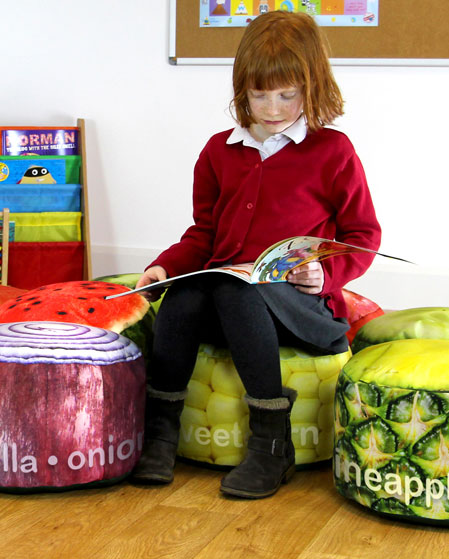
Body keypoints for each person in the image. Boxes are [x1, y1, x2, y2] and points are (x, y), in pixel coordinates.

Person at [130, 10, 381, 498]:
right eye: (259, 94)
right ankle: (160, 432)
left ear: (313, 86)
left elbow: (363, 234)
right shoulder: (219, 152)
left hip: (303, 310)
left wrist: (323, 276)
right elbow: (204, 233)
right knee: (185, 296)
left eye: (288, 94)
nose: (273, 107)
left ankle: (272, 443)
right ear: (241, 90)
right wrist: (165, 266)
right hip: (228, 305)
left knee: (234, 287)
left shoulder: (332, 151)